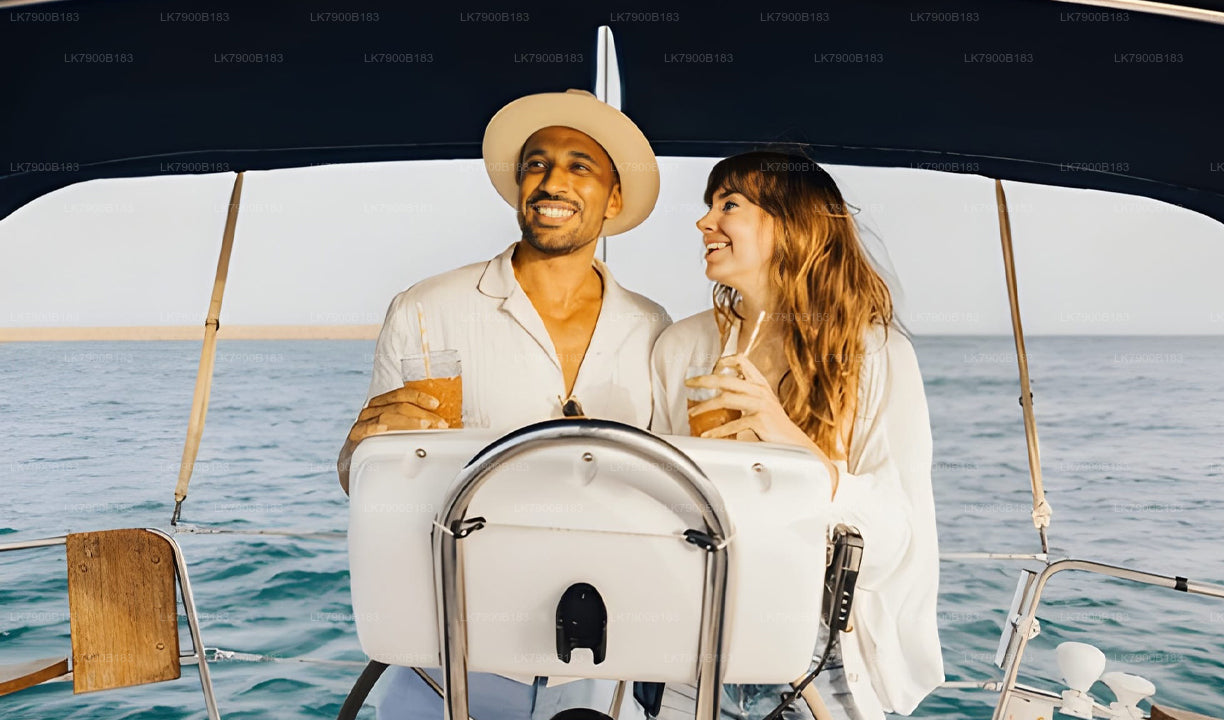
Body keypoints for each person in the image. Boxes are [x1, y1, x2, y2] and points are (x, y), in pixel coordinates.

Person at [338, 89, 670, 720]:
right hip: (448, 659)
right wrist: (359, 451)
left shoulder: (653, 328)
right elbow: (363, 479)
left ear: (613, 199)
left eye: (579, 166)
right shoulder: (426, 309)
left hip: (600, 663)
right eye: (536, 164)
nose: (552, 181)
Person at [649, 151, 944, 719]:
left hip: (817, 655)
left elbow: (895, 542)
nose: (704, 222)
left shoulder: (875, 353)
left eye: (729, 205)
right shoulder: (682, 348)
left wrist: (790, 443)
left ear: (792, 224)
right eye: (709, 205)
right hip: (695, 642)